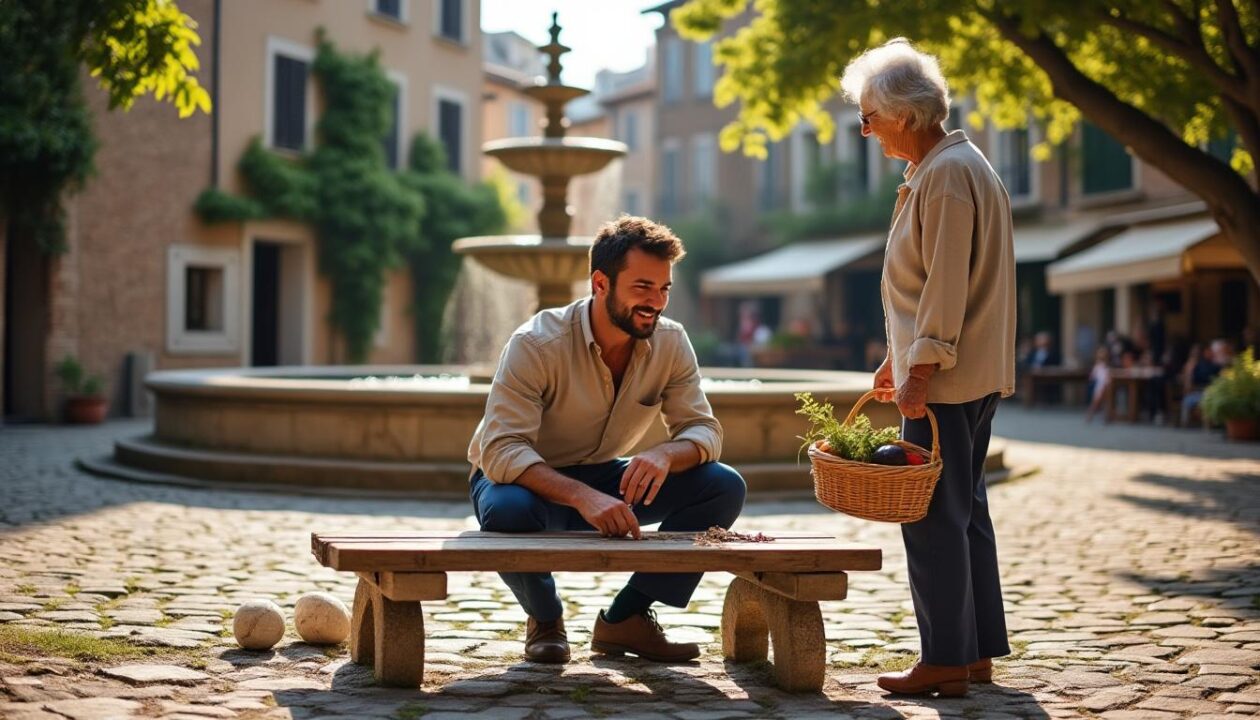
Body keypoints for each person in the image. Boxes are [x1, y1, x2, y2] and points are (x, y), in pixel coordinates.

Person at [466, 215, 747, 665]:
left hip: (605, 476)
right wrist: (583, 498)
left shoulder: (671, 342)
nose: (656, 302)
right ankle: (545, 619)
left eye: (664, 289)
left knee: (723, 484)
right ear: (601, 283)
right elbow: (501, 449)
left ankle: (626, 618)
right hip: (521, 482)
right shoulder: (536, 343)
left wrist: (664, 453)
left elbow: (704, 430)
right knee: (508, 511)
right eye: (642, 288)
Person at [843, 38, 1015, 697]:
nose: (866, 130)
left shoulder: (944, 177)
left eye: (869, 117)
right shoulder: (957, 167)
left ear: (904, 116)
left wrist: (921, 370)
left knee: (931, 516)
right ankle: (974, 651)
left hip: (947, 376)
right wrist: (899, 354)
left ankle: (945, 658)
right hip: (967, 370)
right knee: (965, 508)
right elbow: (934, 285)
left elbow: (945, 286)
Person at [1085, 346, 1113, 423]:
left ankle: (1106, 417)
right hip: (1100, 386)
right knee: (1095, 402)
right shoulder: (1097, 366)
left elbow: (1108, 376)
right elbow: (1093, 376)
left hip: (1106, 385)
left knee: (1106, 403)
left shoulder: (1107, 366)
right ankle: (1089, 416)